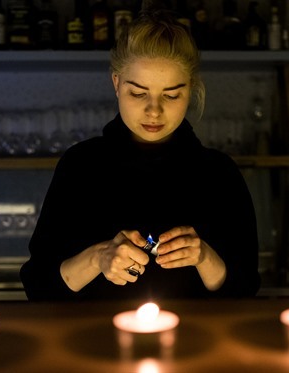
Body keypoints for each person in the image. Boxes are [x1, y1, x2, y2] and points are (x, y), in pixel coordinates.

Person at [20, 5, 260, 302]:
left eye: (172, 95)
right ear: (117, 83)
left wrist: (205, 257)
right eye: (138, 92)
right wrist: (98, 258)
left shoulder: (219, 173)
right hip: (96, 343)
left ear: (191, 90)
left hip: (193, 344)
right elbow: (38, 286)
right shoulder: (81, 166)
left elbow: (246, 289)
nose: (154, 110)